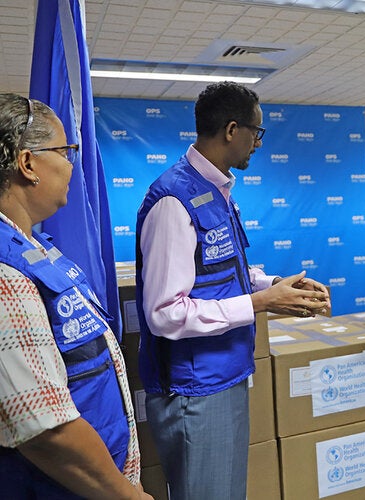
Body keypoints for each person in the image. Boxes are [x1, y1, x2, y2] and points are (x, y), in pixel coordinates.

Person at [135, 81, 329, 499]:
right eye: (257, 132)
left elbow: (226, 272)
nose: (258, 143)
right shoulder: (173, 199)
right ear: (231, 130)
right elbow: (165, 313)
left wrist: (276, 287)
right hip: (194, 392)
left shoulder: (217, 192)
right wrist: (261, 303)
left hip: (224, 377)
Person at [0, 94, 150, 499]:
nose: (72, 163)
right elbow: (46, 430)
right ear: (28, 163)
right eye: (65, 151)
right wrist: (128, 495)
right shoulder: (6, 274)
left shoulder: (37, 248)